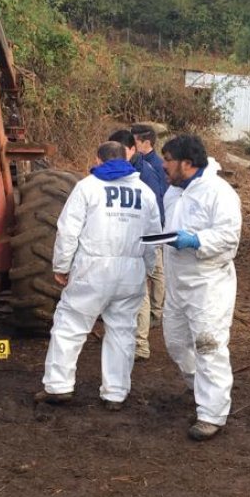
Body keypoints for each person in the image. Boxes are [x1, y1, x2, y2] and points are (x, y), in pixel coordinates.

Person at [35, 141, 161, 411]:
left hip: (92, 270)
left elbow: (68, 231)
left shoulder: (88, 188)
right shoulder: (145, 193)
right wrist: (148, 270)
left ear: (98, 159)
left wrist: (62, 266)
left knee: (70, 325)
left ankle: (59, 386)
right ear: (127, 158)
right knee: (122, 331)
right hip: (131, 270)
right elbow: (153, 237)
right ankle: (115, 393)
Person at [160, 134, 242, 441]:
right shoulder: (173, 193)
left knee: (208, 345)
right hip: (178, 283)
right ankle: (202, 387)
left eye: (168, 160)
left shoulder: (218, 193)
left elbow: (229, 238)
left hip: (208, 284)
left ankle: (212, 414)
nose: (163, 165)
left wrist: (197, 241)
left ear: (187, 163)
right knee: (177, 342)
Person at [109, 128, 167, 360]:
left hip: (143, 240)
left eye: (119, 150)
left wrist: (151, 244)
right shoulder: (124, 171)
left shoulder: (146, 173)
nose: (115, 154)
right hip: (124, 241)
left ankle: (141, 343)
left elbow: (154, 210)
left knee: (144, 286)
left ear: (132, 148)